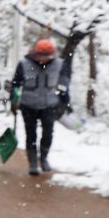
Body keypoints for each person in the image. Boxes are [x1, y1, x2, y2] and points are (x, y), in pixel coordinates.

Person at [11, 38, 70, 176]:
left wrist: (65, 102)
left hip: (49, 105)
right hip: (28, 105)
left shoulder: (60, 65)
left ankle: (44, 158)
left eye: (46, 57)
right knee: (31, 134)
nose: (43, 60)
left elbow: (64, 85)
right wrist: (13, 100)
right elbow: (15, 84)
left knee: (48, 133)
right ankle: (32, 162)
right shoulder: (24, 64)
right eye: (40, 57)